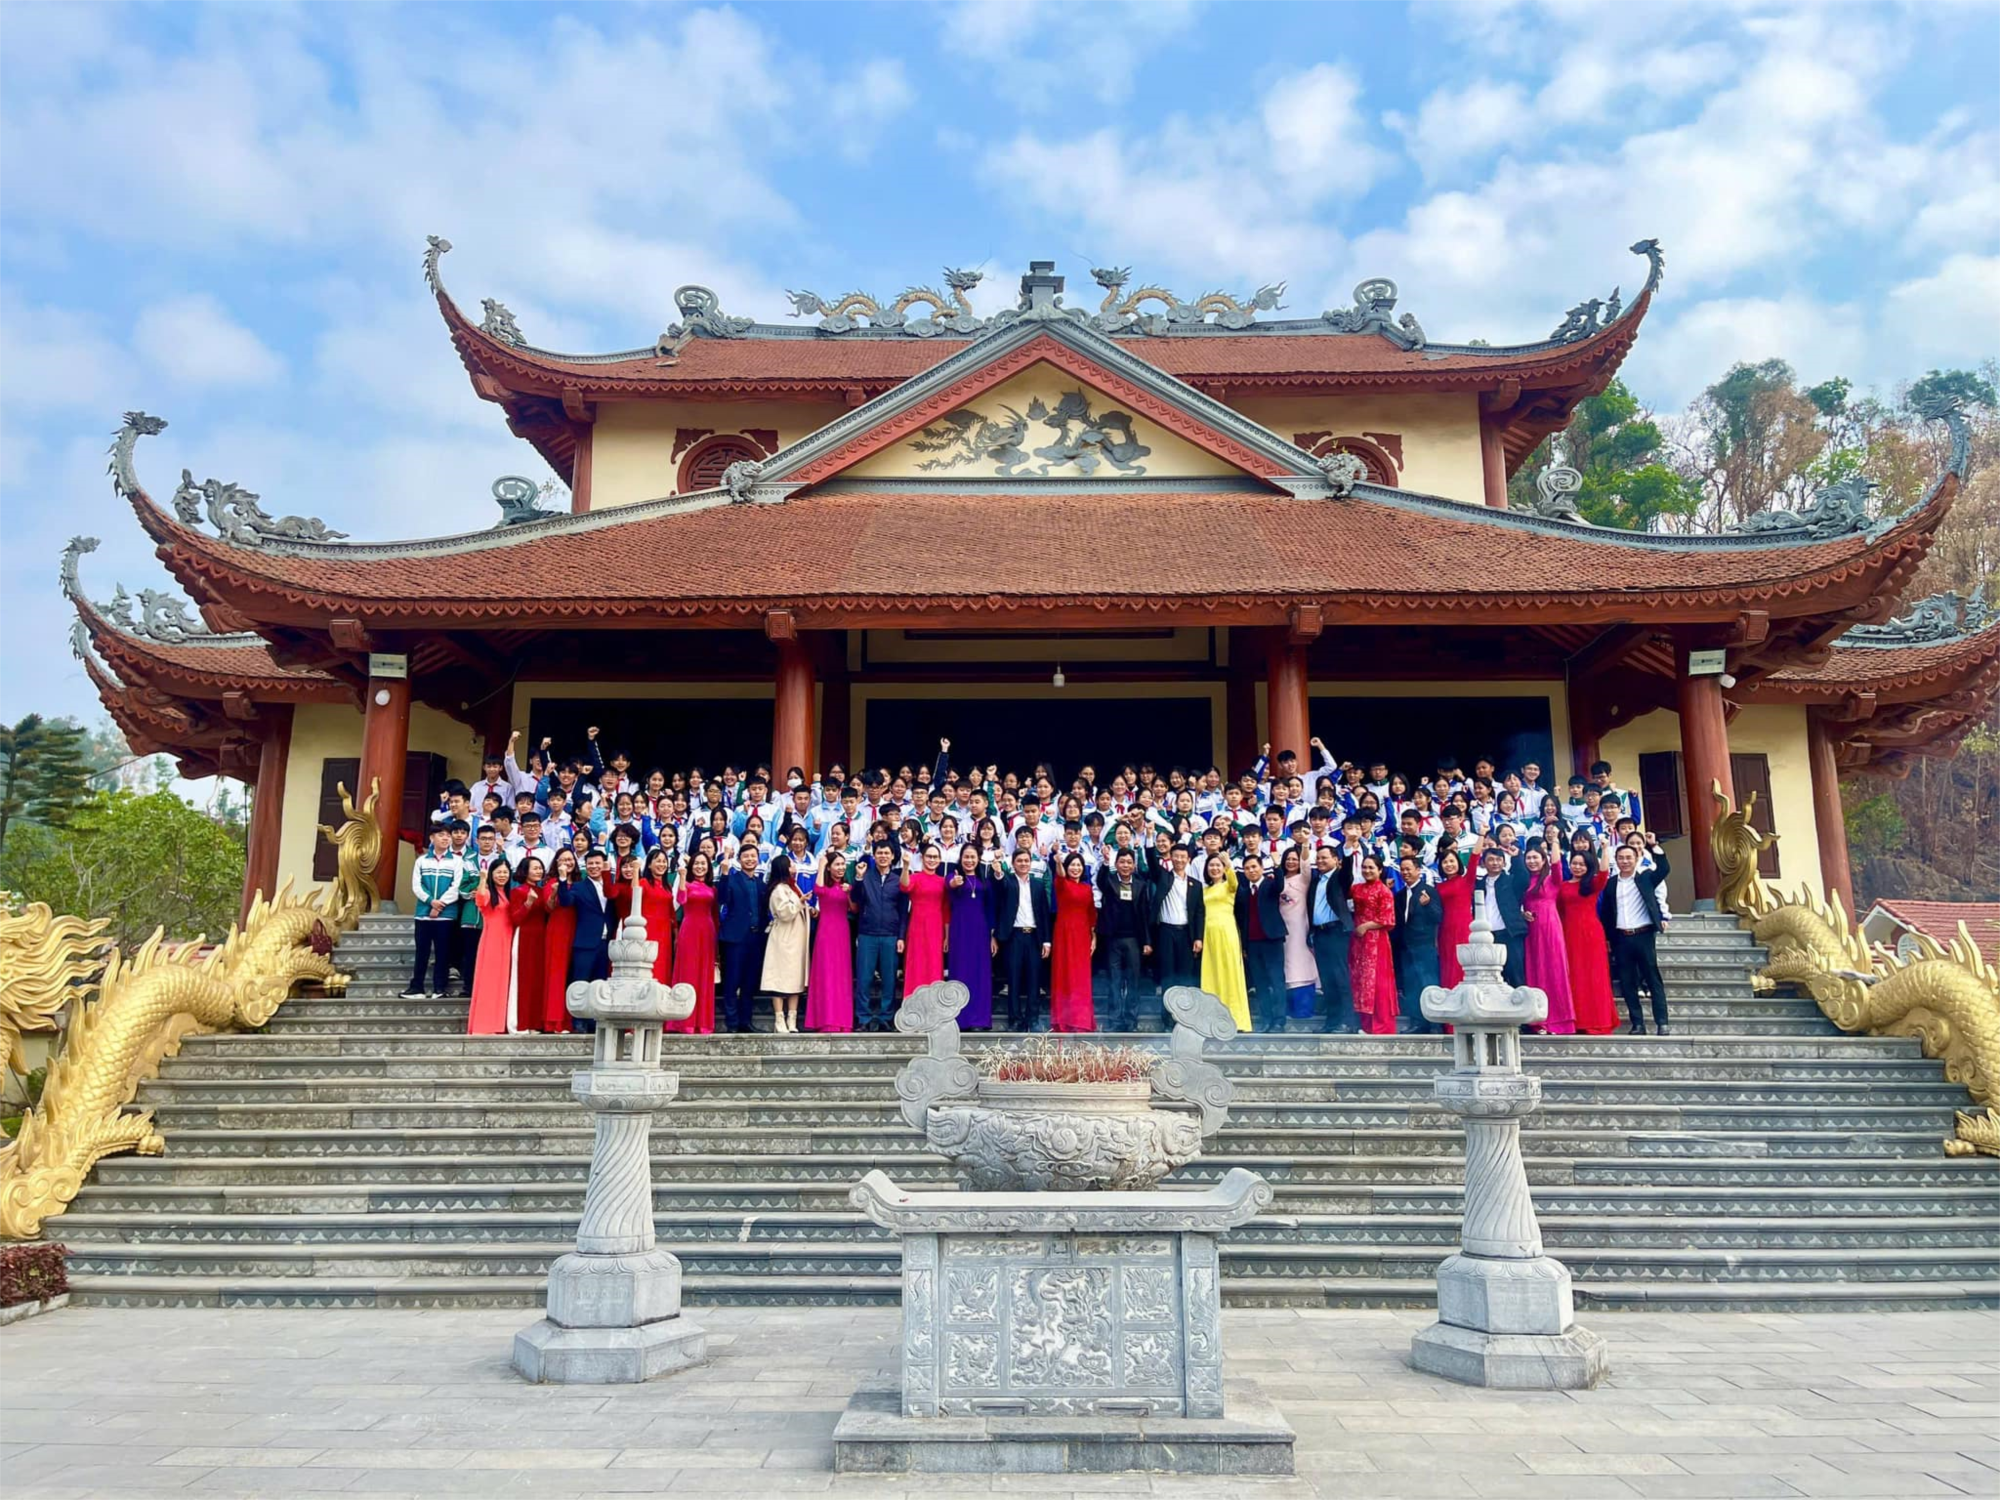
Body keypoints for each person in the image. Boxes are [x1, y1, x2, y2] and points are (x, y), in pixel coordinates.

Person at [1597, 833, 1673, 1035]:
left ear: (1636, 858)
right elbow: (1607, 913)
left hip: (1644, 935)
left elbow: (1664, 869)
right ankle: (1637, 1023)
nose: (1625, 861)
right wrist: (1608, 938)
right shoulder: (1611, 883)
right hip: (1621, 938)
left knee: (1652, 978)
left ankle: (1662, 1022)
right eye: (1621, 858)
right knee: (1627, 982)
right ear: (1616, 860)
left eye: (1628, 858)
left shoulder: (1646, 877)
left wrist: (1654, 845)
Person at [558, 848, 619, 1029]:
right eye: (590, 863)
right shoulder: (579, 886)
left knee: (600, 982)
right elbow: (566, 901)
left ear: (604, 864)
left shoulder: (610, 885)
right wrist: (562, 880)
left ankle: (595, 1021)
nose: (593, 866)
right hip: (585, 942)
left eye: (597, 863)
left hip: (606, 942)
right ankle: (578, 1021)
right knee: (581, 982)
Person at [850, 842, 908, 1032]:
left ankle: (886, 1017)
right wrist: (859, 878)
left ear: (892, 857)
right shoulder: (866, 877)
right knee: (864, 978)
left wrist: (901, 936)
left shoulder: (898, 880)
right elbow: (856, 899)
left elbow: (903, 911)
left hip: (890, 935)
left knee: (889, 980)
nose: (883, 856)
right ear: (874, 856)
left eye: (886, 853)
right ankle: (863, 1018)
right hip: (867, 934)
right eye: (879, 853)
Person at [1560, 852, 1619, 1035]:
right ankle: (1577, 1020)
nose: (1577, 867)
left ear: (1588, 867)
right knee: (1575, 976)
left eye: (1582, 864)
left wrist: (1605, 848)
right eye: (1574, 863)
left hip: (1591, 935)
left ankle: (1598, 1020)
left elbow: (1604, 873)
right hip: (1569, 935)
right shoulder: (1563, 886)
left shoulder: (1592, 884)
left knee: (1595, 976)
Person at [1094, 848, 1152, 1032]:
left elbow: (1144, 914)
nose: (1125, 865)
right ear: (1116, 864)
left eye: (1129, 862)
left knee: (1133, 981)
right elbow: (1100, 880)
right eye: (1122, 862)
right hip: (1112, 940)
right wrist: (1105, 862)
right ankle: (1115, 1021)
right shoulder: (1110, 881)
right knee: (1114, 981)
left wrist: (1147, 941)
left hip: (1133, 940)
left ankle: (1131, 1020)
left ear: (1134, 865)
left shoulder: (1141, 885)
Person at [1520, 846, 1576, 1034]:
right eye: (1528, 858)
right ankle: (1539, 1021)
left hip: (1550, 927)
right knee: (1536, 972)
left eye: (1535, 857)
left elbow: (1557, 864)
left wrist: (1554, 842)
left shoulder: (1552, 879)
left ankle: (1560, 1021)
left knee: (1554, 971)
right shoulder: (1524, 880)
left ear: (1544, 860)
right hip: (1531, 931)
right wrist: (1523, 913)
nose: (1532, 861)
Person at [404, 824, 462, 1000]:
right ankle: (417, 988)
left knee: (443, 953)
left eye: (448, 836)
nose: (445, 838)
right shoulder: (422, 861)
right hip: (423, 914)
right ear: (432, 838)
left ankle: (439, 988)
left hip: (446, 915)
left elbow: (456, 887)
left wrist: (439, 906)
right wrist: (431, 902)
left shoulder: (456, 861)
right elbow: (416, 886)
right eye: (441, 835)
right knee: (421, 952)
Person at [997, 847, 1052, 1031]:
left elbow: (1044, 913)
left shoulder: (1037, 885)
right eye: (1019, 861)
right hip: (1014, 936)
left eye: (1026, 861)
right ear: (1013, 864)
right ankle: (1014, 1019)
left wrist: (1046, 941)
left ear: (1031, 863)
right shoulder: (1008, 881)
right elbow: (999, 884)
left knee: (1034, 979)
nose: (1023, 864)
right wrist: (998, 872)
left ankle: (1032, 1019)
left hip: (1034, 936)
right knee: (1013, 979)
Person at [1304, 843, 1355, 1033]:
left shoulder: (1339, 877)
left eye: (1324, 857)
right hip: (1320, 934)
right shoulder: (1316, 881)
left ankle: (1347, 1022)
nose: (1320, 861)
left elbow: (1347, 872)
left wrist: (1347, 850)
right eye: (1318, 858)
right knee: (1327, 980)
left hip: (1336, 932)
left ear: (1335, 860)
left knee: (1340, 978)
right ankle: (1332, 1022)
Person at [946, 844, 998, 1030]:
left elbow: (990, 909)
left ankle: (979, 1020)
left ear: (978, 859)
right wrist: (955, 883)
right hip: (960, 930)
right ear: (960, 859)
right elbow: (950, 885)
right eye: (966, 857)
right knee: (960, 971)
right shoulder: (953, 876)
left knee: (980, 974)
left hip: (981, 931)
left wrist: (992, 936)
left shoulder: (985, 880)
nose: (969, 860)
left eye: (973, 857)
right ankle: (961, 1019)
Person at [717, 843, 768, 1033]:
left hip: (755, 938)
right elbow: (722, 898)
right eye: (746, 856)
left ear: (758, 859)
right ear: (739, 860)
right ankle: (732, 1022)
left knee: (749, 982)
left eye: (753, 856)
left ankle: (745, 1021)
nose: (750, 859)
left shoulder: (761, 884)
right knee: (732, 981)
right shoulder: (731, 880)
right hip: (735, 938)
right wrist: (724, 874)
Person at [804, 850, 854, 1034]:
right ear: (829, 867)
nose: (841, 868)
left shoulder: (847, 887)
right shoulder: (824, 885)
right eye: (837, 864)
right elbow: (818, 890)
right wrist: (821, 865)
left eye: (843, 864)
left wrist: (849, 893)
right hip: (825, 932)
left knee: (841, 976)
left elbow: (854, 908)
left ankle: (843, 1021)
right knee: (826, 974)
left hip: (842, 932)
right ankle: (825, 1020)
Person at [1200, 853, 1251, 1032]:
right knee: (1211, 975)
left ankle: (1236, 1019)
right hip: (1208, 934)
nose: (1214, 868)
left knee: (1230, 974)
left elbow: (1234, 882)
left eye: (1218, 865)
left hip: (1227, 932)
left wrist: (1228, 863)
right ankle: (1211, 1021)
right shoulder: (1204, 890)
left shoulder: (1229, 886)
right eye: (1211, 865)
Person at [670, 850, 720, 1035]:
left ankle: (703, 1022)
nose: (700, 866)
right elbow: (681, 899)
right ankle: (685, 1021)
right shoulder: (687, 885)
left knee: (704, 976)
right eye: (697, 863)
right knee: (688, 972)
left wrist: (717, 944)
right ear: (691, 866)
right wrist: (682, 877)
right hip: (689, 930)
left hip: (707, 931)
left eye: (703, 863)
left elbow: (715, 915)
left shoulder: (713, 889)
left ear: (708, 867)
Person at [466, 857, 518, 1036]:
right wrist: (482, 879)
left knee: (503, 982)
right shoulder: (488, 891)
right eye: (498, 872)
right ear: (492, 874)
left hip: (508, 939)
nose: (502, 875)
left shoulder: (509, 893)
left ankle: (498, 1024)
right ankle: (484, 1024)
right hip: (492, 941)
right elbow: (480, 900)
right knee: (489, 982)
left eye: (505, 872)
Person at [1348, 853, 1398, 1035]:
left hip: (1377, 942)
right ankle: (1365, 1024)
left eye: (1371, 867)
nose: (1367, 870)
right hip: (1359, 942)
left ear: (1380, 870)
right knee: (1361, 981)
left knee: (1377, 982)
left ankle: (1380, 1026)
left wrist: (1366, 926)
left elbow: (1388, 919)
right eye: (1364, 867)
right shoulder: (1356, 888)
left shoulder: (1384, 891)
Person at [1151, 843, 1205, 1007]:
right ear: (1171, 857)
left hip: (1186, 933)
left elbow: (1199, 913)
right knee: (1167, 974)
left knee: (1186, 975)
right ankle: (1167, 1014)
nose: (1179, 860)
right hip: (1166, 931)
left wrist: (1198, 937)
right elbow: (1151, 861)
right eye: (1176, 856)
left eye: (1183, 857)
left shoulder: (1196, 884)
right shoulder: (1164, 877)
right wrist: (1149, 838)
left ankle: (1185, 1013)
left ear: (1188, 859)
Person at [1236, 854, 1286, 1031]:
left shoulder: (1270, 885)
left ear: (1262, 868)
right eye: (1247, 868)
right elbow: (1242, 920)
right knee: (1260, 983)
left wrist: (1277, 865)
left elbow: (1280, 885)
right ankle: (1266, 1019)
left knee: (1277, 980)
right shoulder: (1243, 891)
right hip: (1252, 944)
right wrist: (1244, 946)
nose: (1251, 871)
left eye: (1254, 867)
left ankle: (1279, 1020)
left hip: (1271, 940)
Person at [761, 852, 809, 1034]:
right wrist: (800, 902)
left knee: (795, 979)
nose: (794, 867)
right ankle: (779, 1018)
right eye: (790, 864)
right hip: (783, 937)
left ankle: (792, 1018)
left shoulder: (792, 886)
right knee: (780, 978)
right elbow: (784, 913)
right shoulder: (778, 890)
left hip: (796, 938)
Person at [1049, 852, 1097, 1032]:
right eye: (1072, 865)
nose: (1075, 868)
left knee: (1081, 978)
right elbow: (1060, 875)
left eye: (1079, 865)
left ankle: (1081, 1020)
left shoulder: (1087, 888)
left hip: (1083, 934)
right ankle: (1064, 1020)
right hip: (1064, 933)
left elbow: (1091, 914)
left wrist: (1093, 937)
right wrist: (1058, 862)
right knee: (1064, 974)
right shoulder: (1061, 884)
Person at [1395, 853, 1442, 1033]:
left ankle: (1435, 1023)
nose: (1405, 873)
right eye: (1402, 870)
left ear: (1418, 870)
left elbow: (1438, 917)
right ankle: (1417, 1023)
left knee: (1428, 983)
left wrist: (1428, 904)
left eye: (1408, 869)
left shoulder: (1428, 891)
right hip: (1406, 947)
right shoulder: (1400, 895)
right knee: (1412, 985)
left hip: (1424, 946)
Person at [1476, 846, 1529, 986]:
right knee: (1493, 977)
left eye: (1499, 859)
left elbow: (1524, 879)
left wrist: (1517, 858)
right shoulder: (1479, 885)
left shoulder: (1511, 881)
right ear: (1483, 863)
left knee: (1515, 974)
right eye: (1491, 859)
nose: (1495, 863)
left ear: (1504, 863)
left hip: (1510, 933)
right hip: (1488, 936)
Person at [540, 848, 580, 1033]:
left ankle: (570, 1020)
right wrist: (555, 892)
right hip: (558, 929)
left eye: (570, 859)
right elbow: (548, 907)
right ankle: (554, 1021)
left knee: (572, 976)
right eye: (563, 859)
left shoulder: (580, 883)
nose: (567, 863)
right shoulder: (551, 883)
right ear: (556, 862)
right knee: (557, 974)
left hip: (577, 928)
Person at [901, 843, 949, 996]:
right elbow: (905, 886)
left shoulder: (943, 881)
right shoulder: (915, 877)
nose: (932, 860)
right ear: (922, 858)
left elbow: (946, 910)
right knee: (916, 964)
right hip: (917, 927)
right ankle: (912, 1002)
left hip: (936, 928)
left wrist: (947, 936)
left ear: (940, 860)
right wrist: (906, 866)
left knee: (934, 964)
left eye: (935, 857)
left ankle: (933, 1003)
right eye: (929, 856)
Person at [1277, 846, 1316, 1028]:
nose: (1291, 862)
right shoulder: (1279, 880)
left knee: (1300, 965)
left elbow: (1306, 865)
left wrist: (1305, 845)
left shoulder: (1303, 879)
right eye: (1288, 859)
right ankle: (1287, 1007)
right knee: (1285, 966)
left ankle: (1303, 1009)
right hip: (1281, 930)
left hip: (1299, 928)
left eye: (1294, 859)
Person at [512, 856, 551, 1032]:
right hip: (525, 937)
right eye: (535, 868)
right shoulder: (518, 891)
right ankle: (522, 1022)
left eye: (540, 868)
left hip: (542, 938)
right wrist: (528, 903)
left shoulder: (543, 891)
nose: (539, 871)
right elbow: (515, 919)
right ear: (525, 871)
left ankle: (536, 1023)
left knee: (538, 981)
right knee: (525, 979)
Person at [1433, 846, 1475, 988]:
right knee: (1447, 965)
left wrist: (1482, 836)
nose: (1449, 865)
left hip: (1464, 928)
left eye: (1452, 861)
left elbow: (1474, 858)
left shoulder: (1467, 880)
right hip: (1445, 931)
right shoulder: (1439, 887)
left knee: (1463, 963)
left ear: (1458, 862)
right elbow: (1437, 912)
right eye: (1445, 862)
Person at [635, 847, 676, 984]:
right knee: (650, 963)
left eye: (664, 861)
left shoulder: (667, 886)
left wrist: (676, 933)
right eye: (658, 861)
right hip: (648, 930)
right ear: (649, 865)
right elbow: (634, 895)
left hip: (665, 931)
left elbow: (671, 911)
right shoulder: (644, 882)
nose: (662, 864)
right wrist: (635, 871)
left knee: (664, 964)